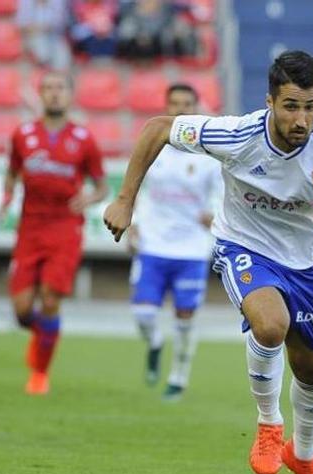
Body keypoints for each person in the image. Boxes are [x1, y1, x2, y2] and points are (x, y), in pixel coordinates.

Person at [103, 51, 313, 474]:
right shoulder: (236, 134)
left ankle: (304, 457)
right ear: (269, 101)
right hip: (244, 245)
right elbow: (157, 128)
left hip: (306, 260)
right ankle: (269, 424)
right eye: (291, 105)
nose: (302, 119)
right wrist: (124, 201)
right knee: (270, 326)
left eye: (311, 106)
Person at [0, 72, 108, 395]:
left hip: (65, 229)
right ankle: (45, 335)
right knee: (21, 311)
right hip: (30, 228)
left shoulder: (84, 139)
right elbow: (11, 172)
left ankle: (39, 374)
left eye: (60, 88)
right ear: (41, 95)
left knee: (49, 300)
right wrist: (6, 198)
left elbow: (102, 186)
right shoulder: (23, 135)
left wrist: (88, 198)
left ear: (70, 95)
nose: (54, 94)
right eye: (48, 88)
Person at [126, 83, 222, 401]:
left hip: (192, 247)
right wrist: (135, 225)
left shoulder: (209, 154)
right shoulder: (154, 146)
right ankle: (154, 343)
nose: (180, 109)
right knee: (143, 314)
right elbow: (137, 188)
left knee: (185, 317)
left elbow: (222, 193)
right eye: (174, 103)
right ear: (166, 107)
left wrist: (214, 215)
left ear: (196, 107)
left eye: (186, 103)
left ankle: (178, 377)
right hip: (153, 243)